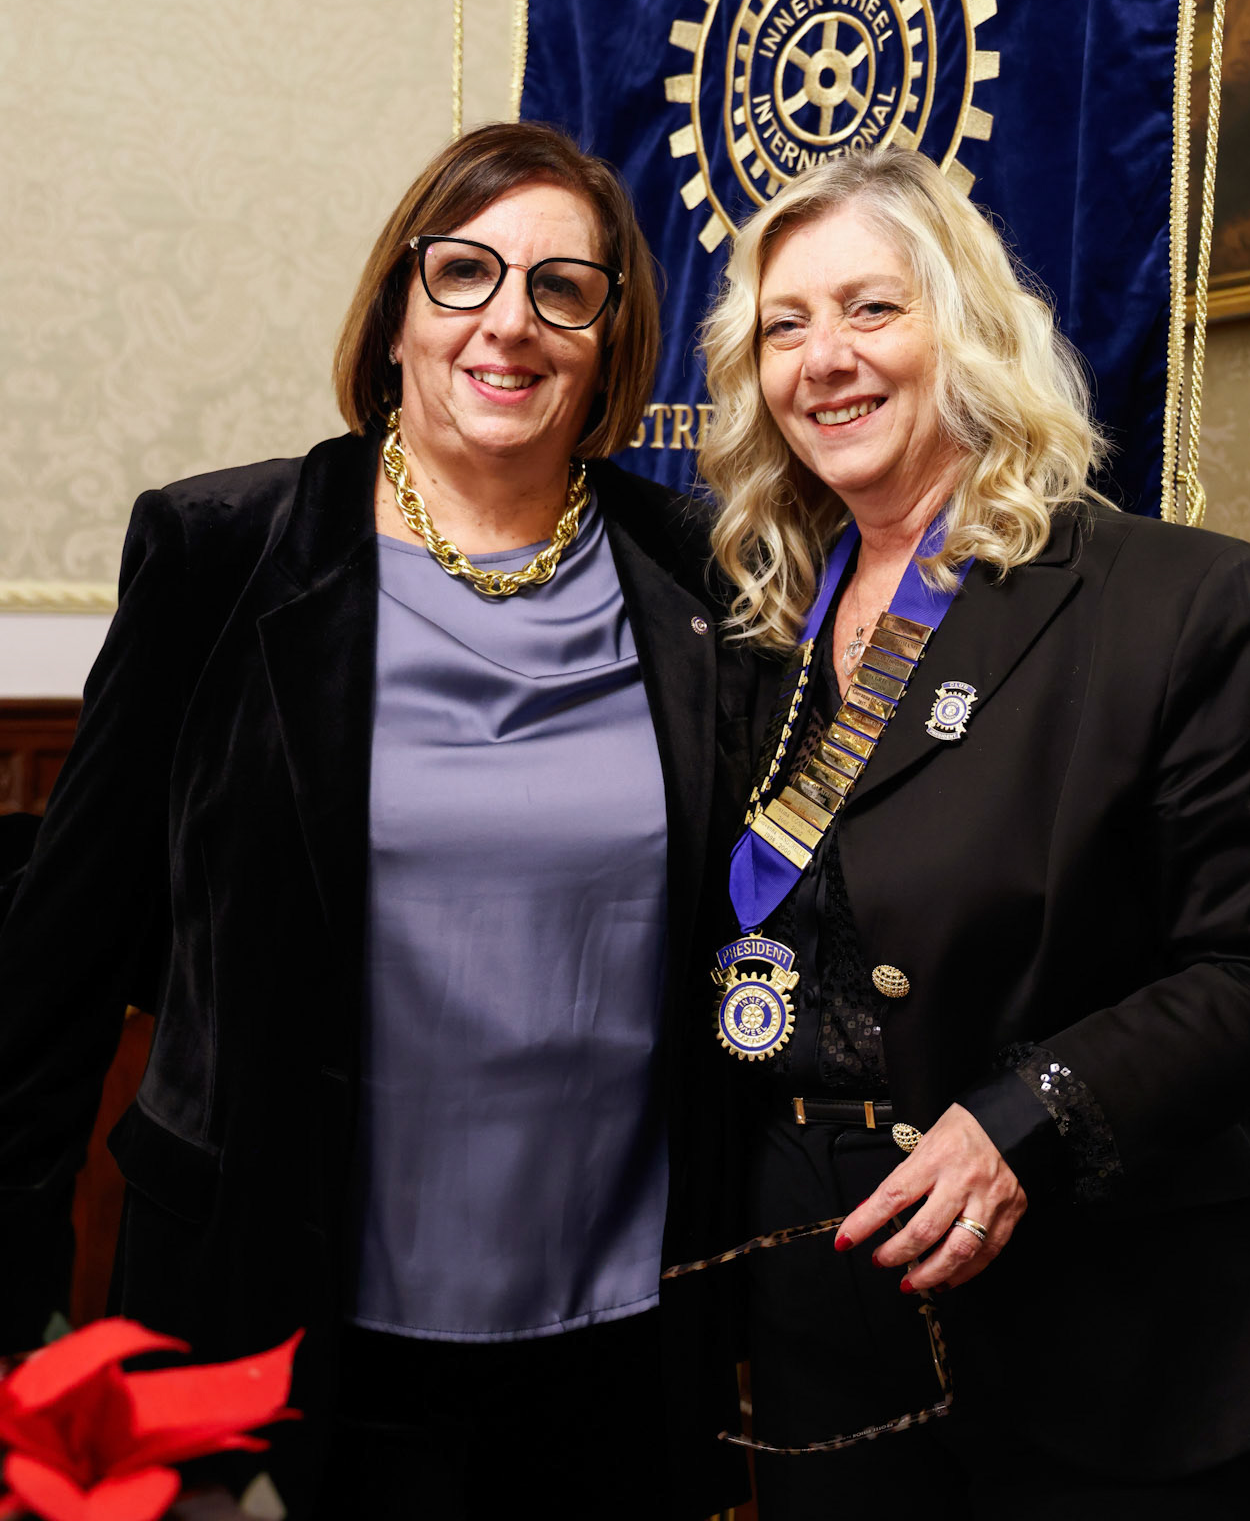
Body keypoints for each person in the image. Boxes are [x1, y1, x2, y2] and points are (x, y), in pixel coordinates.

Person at [0, 123, 752, 1519]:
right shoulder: (221, 554)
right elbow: (57, 965)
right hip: (263, 1314)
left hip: (610, 1339)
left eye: (562, 290)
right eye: (464, 272)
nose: (508, 323)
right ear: (398, 309)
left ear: (610, 344)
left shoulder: (700, 578)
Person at [695, 145, 1250, 1521]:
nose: (825, 358)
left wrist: (1030, 1121)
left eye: (872, 309)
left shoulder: (1166, 601)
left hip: (1101, 1322)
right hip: (823, 1312)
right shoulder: (758, 631)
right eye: (784, 325)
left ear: (967, 329)